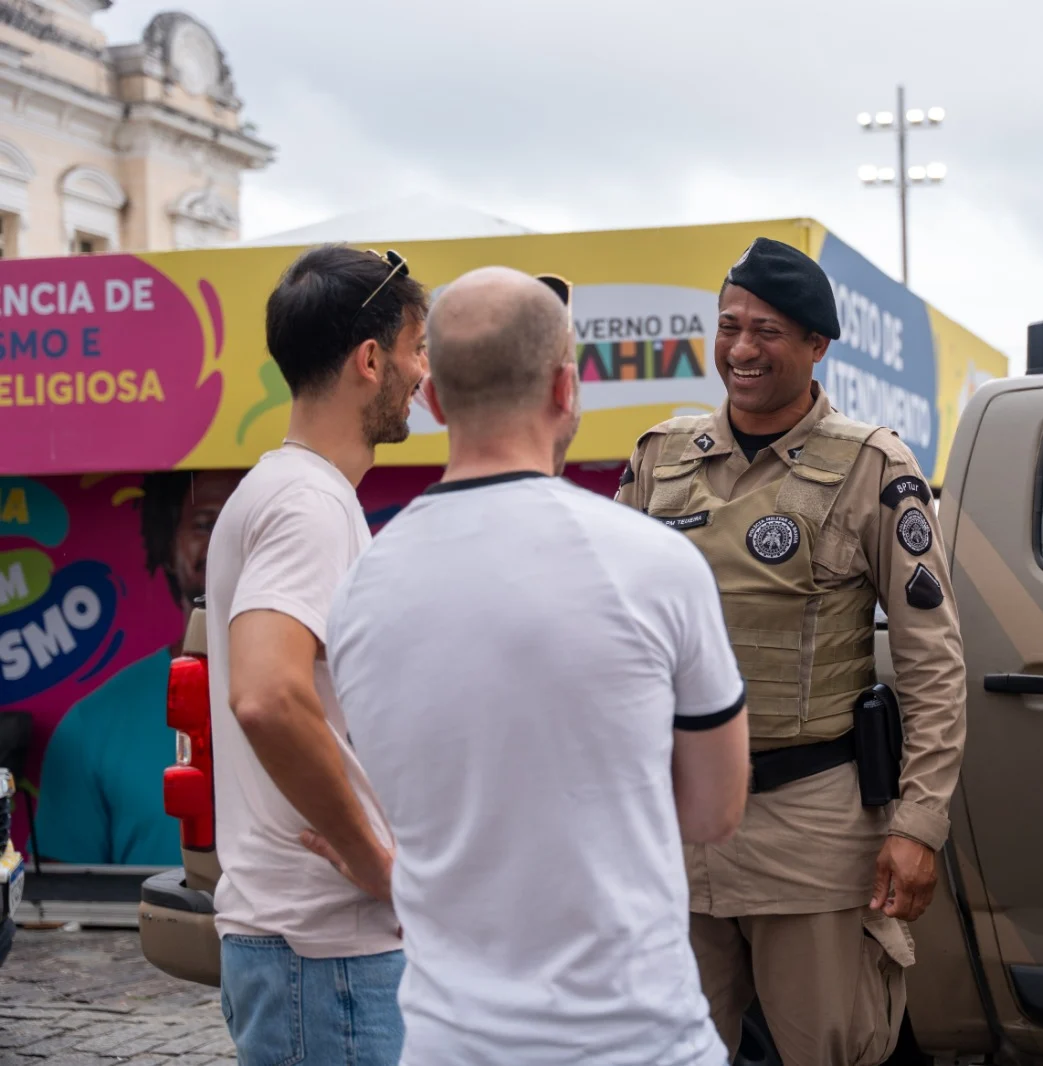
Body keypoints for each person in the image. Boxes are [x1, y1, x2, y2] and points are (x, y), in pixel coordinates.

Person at [325, 266, 748, 1066]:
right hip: (637, 1040)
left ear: (434, 400)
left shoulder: (358, 591)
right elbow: (714, 812)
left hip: (447, 1043)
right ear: (566, 387)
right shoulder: (655, 565)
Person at [616, 237, 968, 1065]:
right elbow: (612, 639)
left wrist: (919, 824)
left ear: (816, 346)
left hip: (812, 832)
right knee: (665, 1051)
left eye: (766, 331)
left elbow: (933, 663)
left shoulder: (873, 465)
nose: (740, 348)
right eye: (728, 325)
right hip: (676, 829)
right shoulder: (660, 459)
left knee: (830, 1049)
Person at [204, 244, 428, 1066]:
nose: (422, 373)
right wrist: (377, 866)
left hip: (309, 952)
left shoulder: (292, 491)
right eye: (415, 349)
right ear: (370, 361)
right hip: (324, 950)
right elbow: (266, 695)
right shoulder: (308, 505)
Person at [35, 469, 241, 865]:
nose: (224, 542)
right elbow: (62, 897)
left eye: (243, 524)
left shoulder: (327, 702)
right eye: (205, 523)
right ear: (169, 544)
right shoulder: (90, 726)